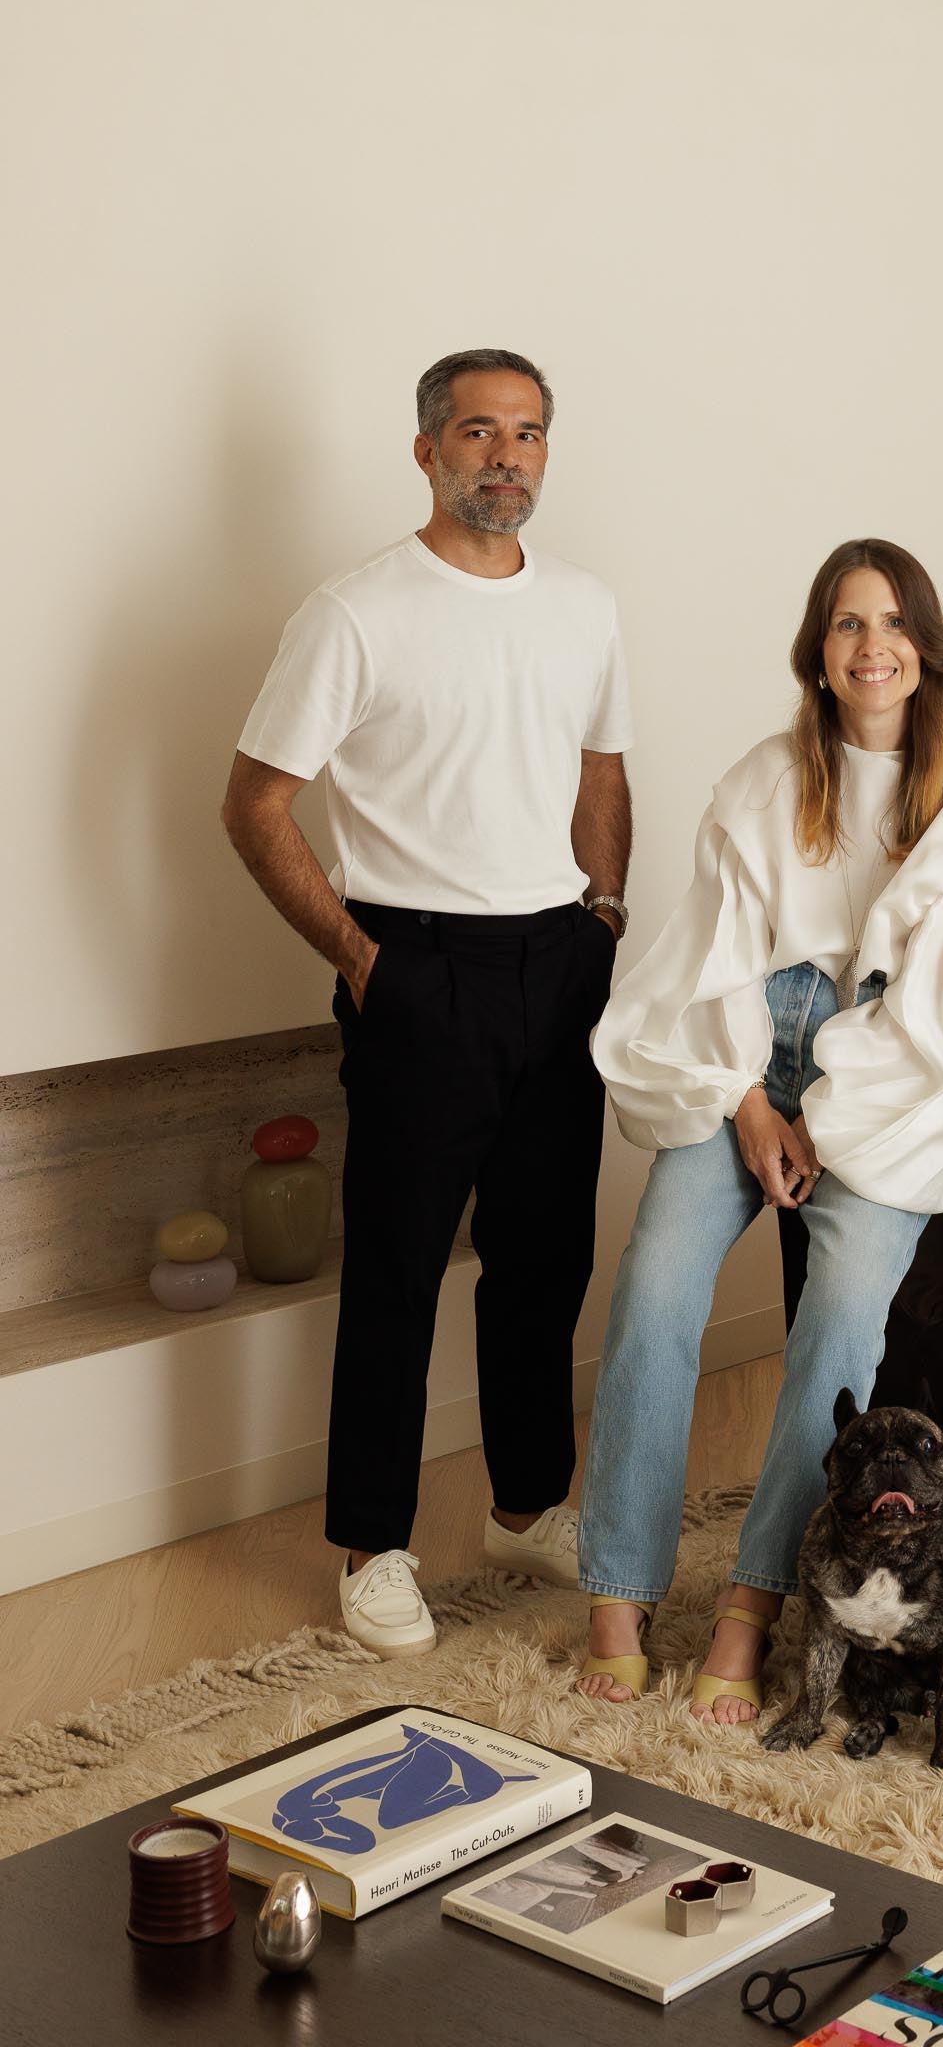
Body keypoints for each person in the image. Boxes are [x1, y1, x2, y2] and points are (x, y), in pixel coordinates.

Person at [575, 538, 943, 1724]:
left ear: (929, 650)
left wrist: (821, 1123)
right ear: (818, 653)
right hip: (744, 1049)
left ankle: (751, 1603)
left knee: (837, 1320)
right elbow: (711, 959)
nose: (871, 646)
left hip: (887, 1080)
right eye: (846, 623)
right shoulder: (764, 782)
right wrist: (747, 1101)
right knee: (656, 1286)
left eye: (893, 623)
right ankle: (619, 1597)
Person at [220, 349, 633, 1657]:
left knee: (545, 1257)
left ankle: (525, 1506)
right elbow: (255, 803)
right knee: (398, 1269)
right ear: (427, 450)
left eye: (528, 433)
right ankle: (371, 1548)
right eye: (478, 432)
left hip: (557, 964)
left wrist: (603, 916)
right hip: (418, 967)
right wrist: (362, 959)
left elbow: (603, 771)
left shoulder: (584, 607)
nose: (506, 457)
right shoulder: (354, 613)